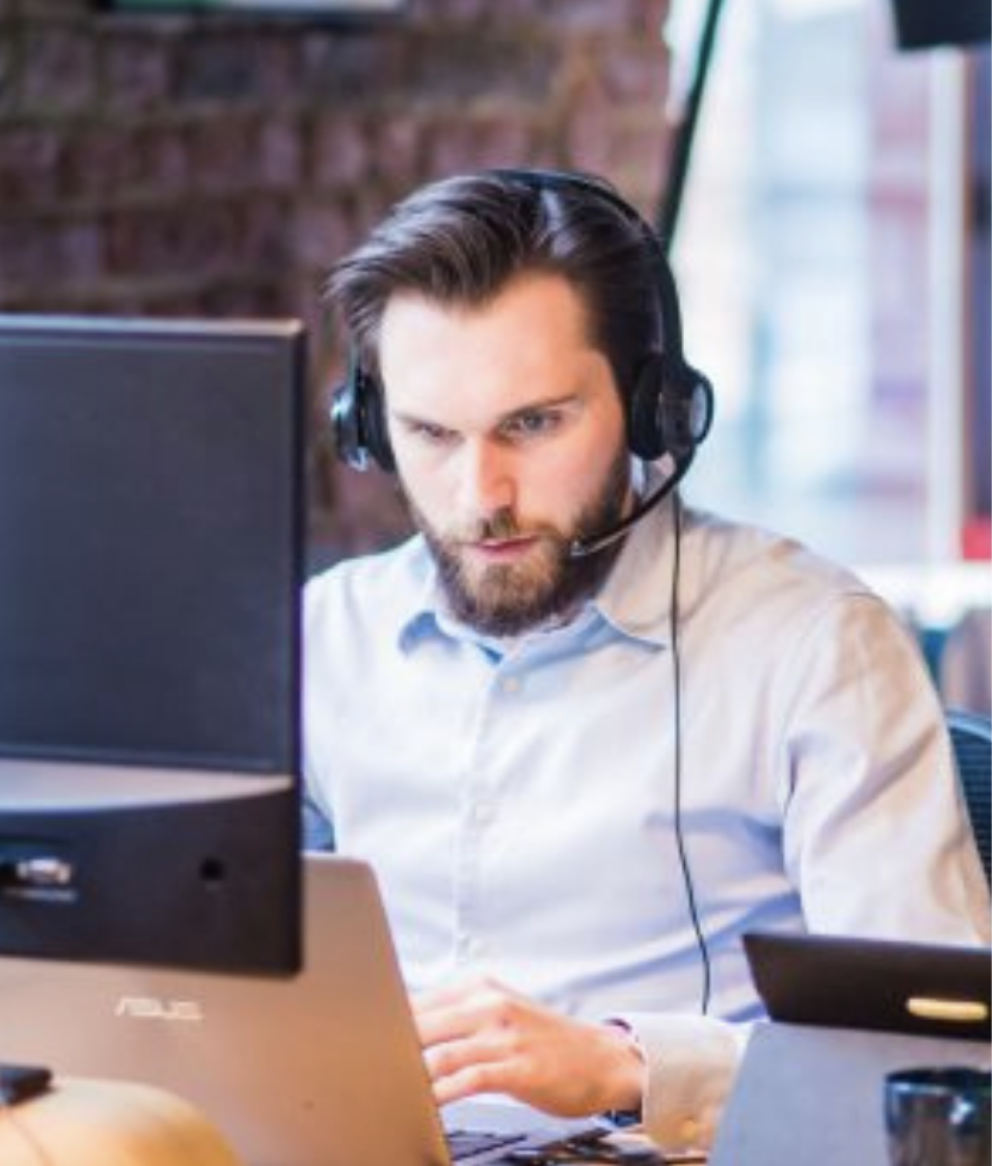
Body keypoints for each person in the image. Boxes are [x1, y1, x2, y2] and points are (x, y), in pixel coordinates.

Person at [302, 168, 989, 1153]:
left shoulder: (811, 642)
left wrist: (627, 1064)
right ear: (367, 425)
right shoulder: (325, 636)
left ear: (651, 405)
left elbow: (929, 1057)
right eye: (429, 433)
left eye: (532, 424)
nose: (478, 493)